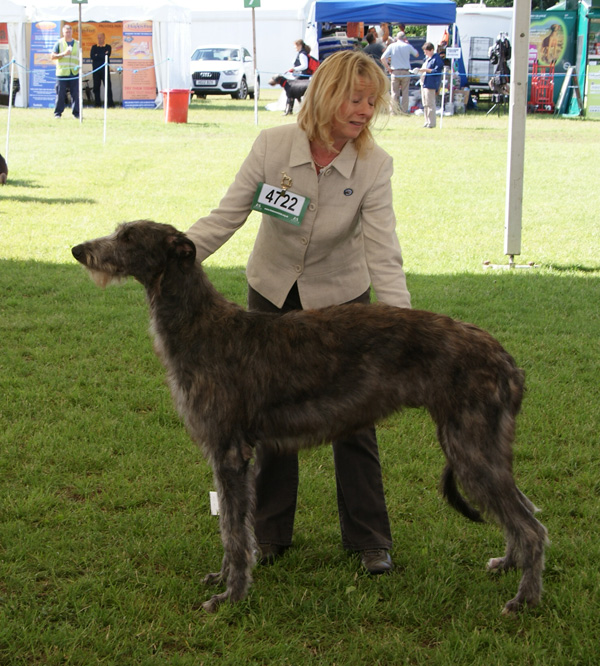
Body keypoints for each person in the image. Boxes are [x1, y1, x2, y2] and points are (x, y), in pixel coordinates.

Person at [185, 49, 411, 576]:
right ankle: (268, 533)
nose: (364, 110)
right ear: (328, 94)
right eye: (355, 98)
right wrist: (175, 256)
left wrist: (403, 326)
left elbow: (384, 249)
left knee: (354, 423)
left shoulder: (374, 164)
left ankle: (370, 540)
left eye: (371, 101)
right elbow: (228, 215)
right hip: (272, 292)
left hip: (342, 306)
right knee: (267, 418)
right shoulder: (273, 144)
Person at [381, 32, 418, 115]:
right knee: (405, 92)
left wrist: (388, 68)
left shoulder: (392, 46)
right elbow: (416, 54)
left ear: (396, 38)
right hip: (405, 71)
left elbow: (383, 58)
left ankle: (393, 111)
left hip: (395, 71)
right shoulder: (407, 46)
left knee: (394, 93)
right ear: (404, 38)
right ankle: (404, 111)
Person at [51, 24, 80, 119]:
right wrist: (64, 54)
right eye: (66, 32)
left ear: (72, 32)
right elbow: (53, 56)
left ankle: (76, 113)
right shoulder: (59, 43)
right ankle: (57, 113)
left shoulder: (77, 43)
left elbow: (80, 57)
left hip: (74, 73)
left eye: (69, 32)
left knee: (75, 94)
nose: (68, 34)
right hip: (62, 73)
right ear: (63, 33)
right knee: (60, 94)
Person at [418, 42, 444, 128]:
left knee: (430, 104)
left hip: (431, 83)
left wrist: (426, 70)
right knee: (425, 103)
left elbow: (437, 71)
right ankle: (426, 121)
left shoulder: (437, 59)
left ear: (432, 50)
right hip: (424, 83)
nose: (425, 53)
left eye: (426, 51)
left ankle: (432, 123)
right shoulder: (427, 59)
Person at [90, 32, 114, 108]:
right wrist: (102, 55)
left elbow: (107, 55)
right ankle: (97, 104)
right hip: (96, 70)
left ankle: (110, 104)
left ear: (104, 38)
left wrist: (98, 55)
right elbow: (92, 57)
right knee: (96, 87)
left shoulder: (108, 47)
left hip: (105, 70)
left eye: (101, 38)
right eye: (98, 38)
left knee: (107, 86)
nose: (99, 39)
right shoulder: (94, 47)